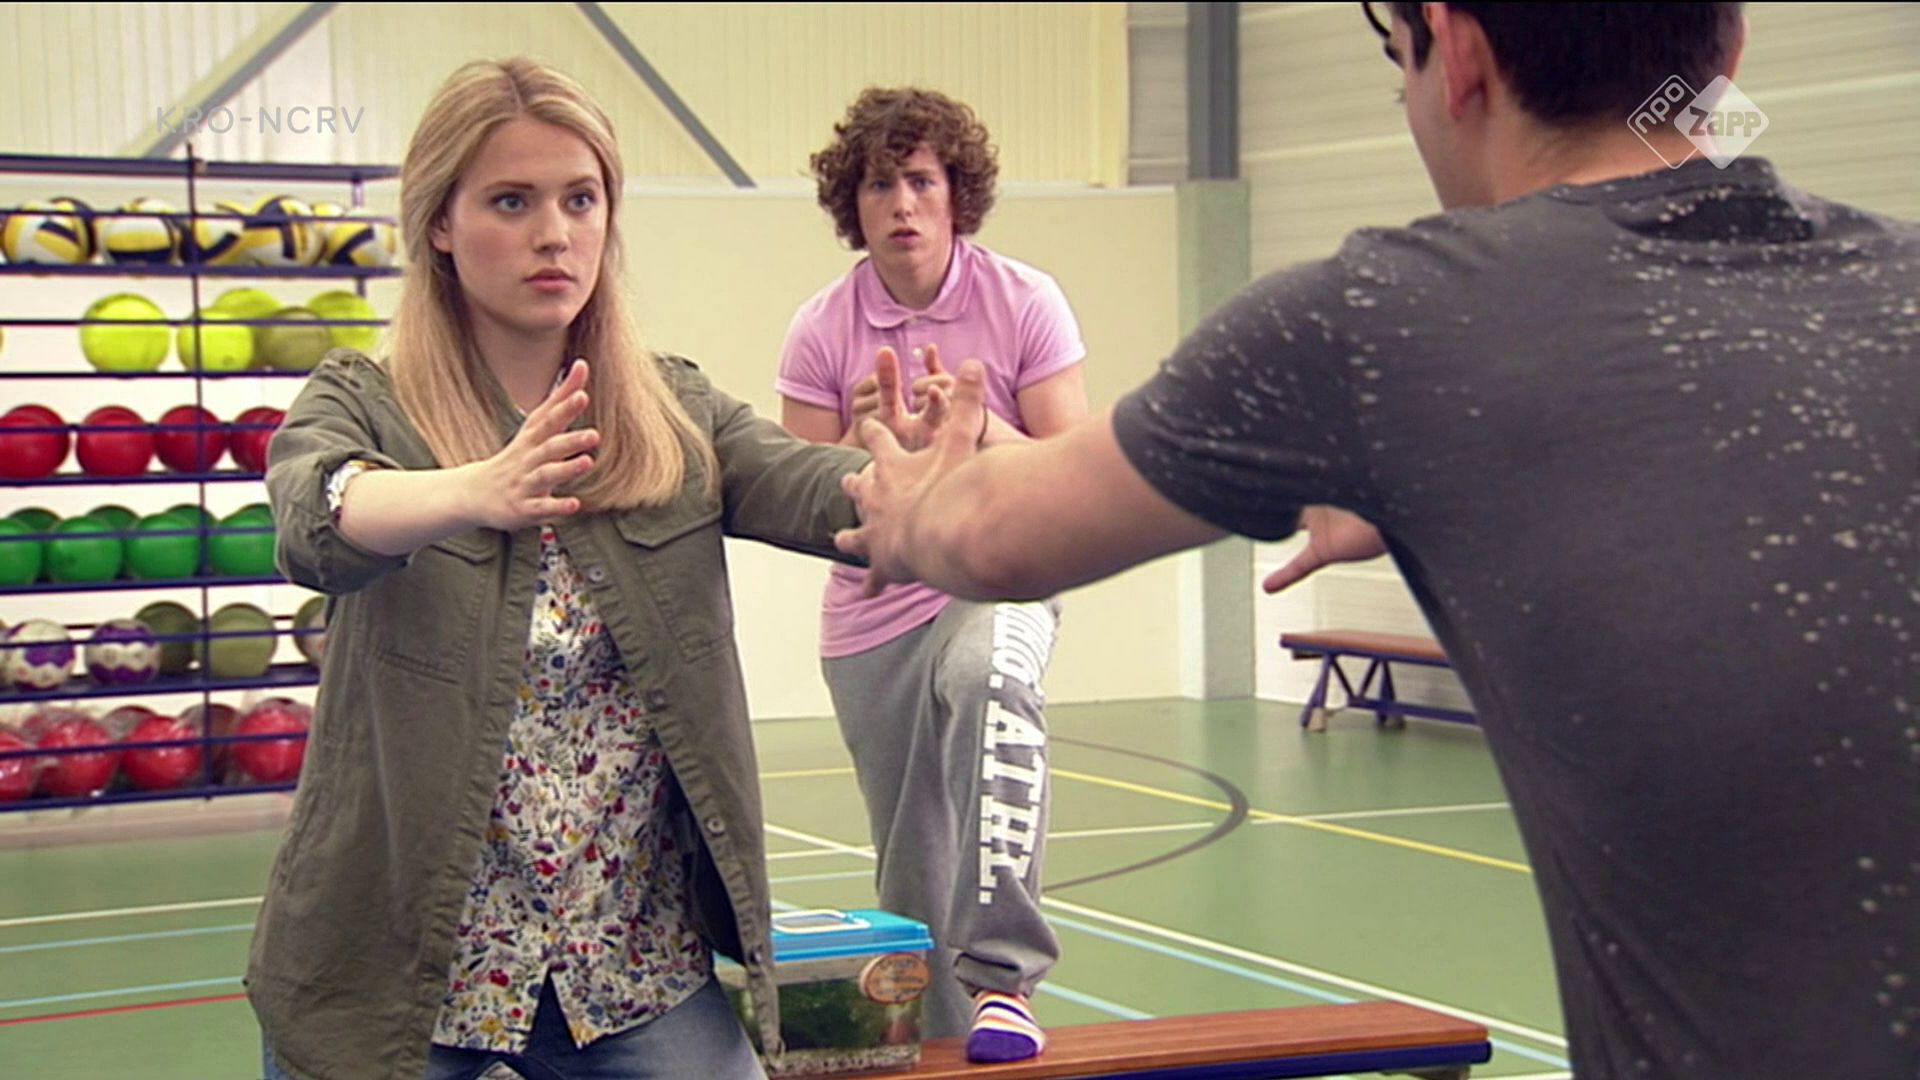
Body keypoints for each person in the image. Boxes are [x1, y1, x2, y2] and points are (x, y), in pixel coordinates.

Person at [833, 4, 1919, 1078]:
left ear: (1458, 56)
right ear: (1729, 50)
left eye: (1399, 65)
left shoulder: (1380, 321)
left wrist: (910, 503)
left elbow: (999, 536)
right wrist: (1440, 483)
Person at [251, 58, 890, 1080]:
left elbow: (812, 484)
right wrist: (470, 490)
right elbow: (319, 510)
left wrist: (903, 484)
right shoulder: (364, 398)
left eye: (580, 200)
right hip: (403, 976)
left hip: (626, 966)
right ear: (441, 224)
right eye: (512, 201)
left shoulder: (674, 410)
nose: (555, 233)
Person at [775, 86, 1090, 1062]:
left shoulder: (1024, 302)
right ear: (853, 204)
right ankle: (959, 1049)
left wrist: (978, 428)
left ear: (957, 194)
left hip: (996, 579)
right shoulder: (822, 329)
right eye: (880, 185)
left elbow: (1075, 472)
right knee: (915, 884)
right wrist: (862, 443)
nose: (902, 204)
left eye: (920, 180)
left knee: (989, 678)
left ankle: (1005, 980)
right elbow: (799, 508)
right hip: (874, 621)